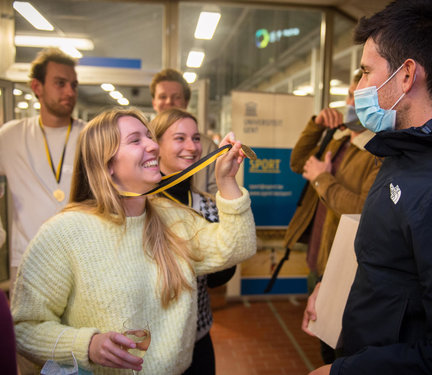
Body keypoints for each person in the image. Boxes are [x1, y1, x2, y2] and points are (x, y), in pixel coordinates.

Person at [304, 0, 432, 374]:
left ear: (406, 75)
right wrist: (335, 284)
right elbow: (390, 257)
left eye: (366, 71)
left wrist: (342, 373)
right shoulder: (403, 150)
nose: (358, 87)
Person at [10, 108, 257, 375]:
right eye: (136, 140)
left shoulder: (173, 219)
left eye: (149, 137)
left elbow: (236, 246)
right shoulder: (63, 234)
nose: (152, 145)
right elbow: (24, 328)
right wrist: (88, 345)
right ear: (107, 164)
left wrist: (227, 181)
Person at [285, 70, 380, 364]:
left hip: (345, 263)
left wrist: (322, 180)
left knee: (341, 347)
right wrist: (315, 125)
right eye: (350, 95)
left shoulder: (378, 152)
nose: (350, 103)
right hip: (320, 254)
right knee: (323, 336)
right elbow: (299, 162)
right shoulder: (339, 141)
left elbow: (364, 210)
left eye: (358, 97)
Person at [151, 108, 237, 375]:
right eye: (180, 138)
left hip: (197, 337)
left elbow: (220, 277)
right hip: (149, 341)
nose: (192, 146)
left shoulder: (208, 206)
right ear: (156, 145)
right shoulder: (139, 207)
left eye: (196, 138)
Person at [0, 47, 85, 291]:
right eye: (60, 83)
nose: (70, 91)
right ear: (37, 87)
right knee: (26, 329)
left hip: (80, 261)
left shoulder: (90, 135)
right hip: (27, 262)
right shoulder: (10, 137)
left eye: (73, 84)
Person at [150, 68, 218, 194]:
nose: (169, 101)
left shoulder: (208, 148)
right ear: (154, 102)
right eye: (162, 96)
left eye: (176, 97)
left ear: (186, 102)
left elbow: (217, 196)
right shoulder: (142, 143)